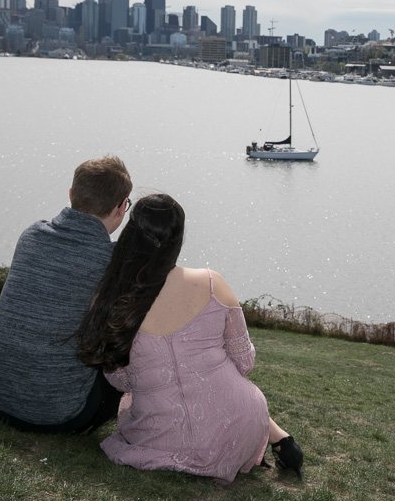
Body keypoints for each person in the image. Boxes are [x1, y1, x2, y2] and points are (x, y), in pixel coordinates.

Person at [75, 193, 303, 484]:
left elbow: (121, 381)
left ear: (132, 234)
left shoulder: (107, 301)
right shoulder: (212, 283)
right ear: (177, 239)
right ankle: (278, 439)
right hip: (240, 427)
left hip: (160, 437)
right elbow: (244, 362)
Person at [0, 156, 133, 434]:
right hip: (59, 414)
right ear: (121, 207)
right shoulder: (113, 258)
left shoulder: (32, 235)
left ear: (72, 194)